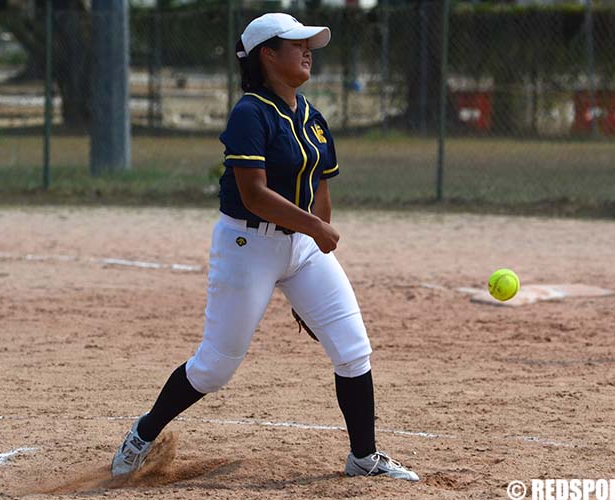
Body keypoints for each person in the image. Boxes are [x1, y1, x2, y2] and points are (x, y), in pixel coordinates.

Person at [111, 13, 419, 482]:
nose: (308, 50)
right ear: (267, 55)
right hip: (247, 245)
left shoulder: (312, 116)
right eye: (296, 43)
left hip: (303, 250)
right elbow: (253, 193)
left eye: (308, 43)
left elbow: (320, 187)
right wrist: (316, 227)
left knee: (353, 349)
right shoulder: (250, 113)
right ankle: (143, 433)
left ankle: (364, 457)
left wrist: (317, 250)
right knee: (215, 368)